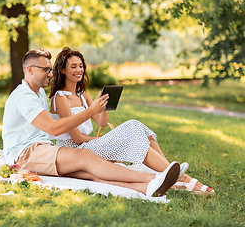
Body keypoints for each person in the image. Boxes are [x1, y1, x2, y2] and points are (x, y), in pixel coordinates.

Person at [2, 48, 181, 197]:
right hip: (24, 154)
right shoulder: (24, 96)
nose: (50, 74)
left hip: (43, 148)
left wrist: (100, 109)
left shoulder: (38, 92)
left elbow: (96, 122)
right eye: (45, 69)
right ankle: (153, 178)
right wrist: (90, 111)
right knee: (86, 157)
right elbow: (53, 128)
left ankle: (147, 187)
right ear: (30, 69)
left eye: (50, 69)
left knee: (88, 173)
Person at [48, 47, 215, 195]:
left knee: (136, 126)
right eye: (73, 66)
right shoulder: (60, 98)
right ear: (62, 70)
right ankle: (179, 176)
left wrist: (104, 107)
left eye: (81, 66)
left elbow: (101, 123)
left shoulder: (82, 95)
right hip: (75, 151)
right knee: (131, 127)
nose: (79, 70)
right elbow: (76, 138)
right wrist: (107, 141)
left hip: (89, 146)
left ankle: (170, 171)